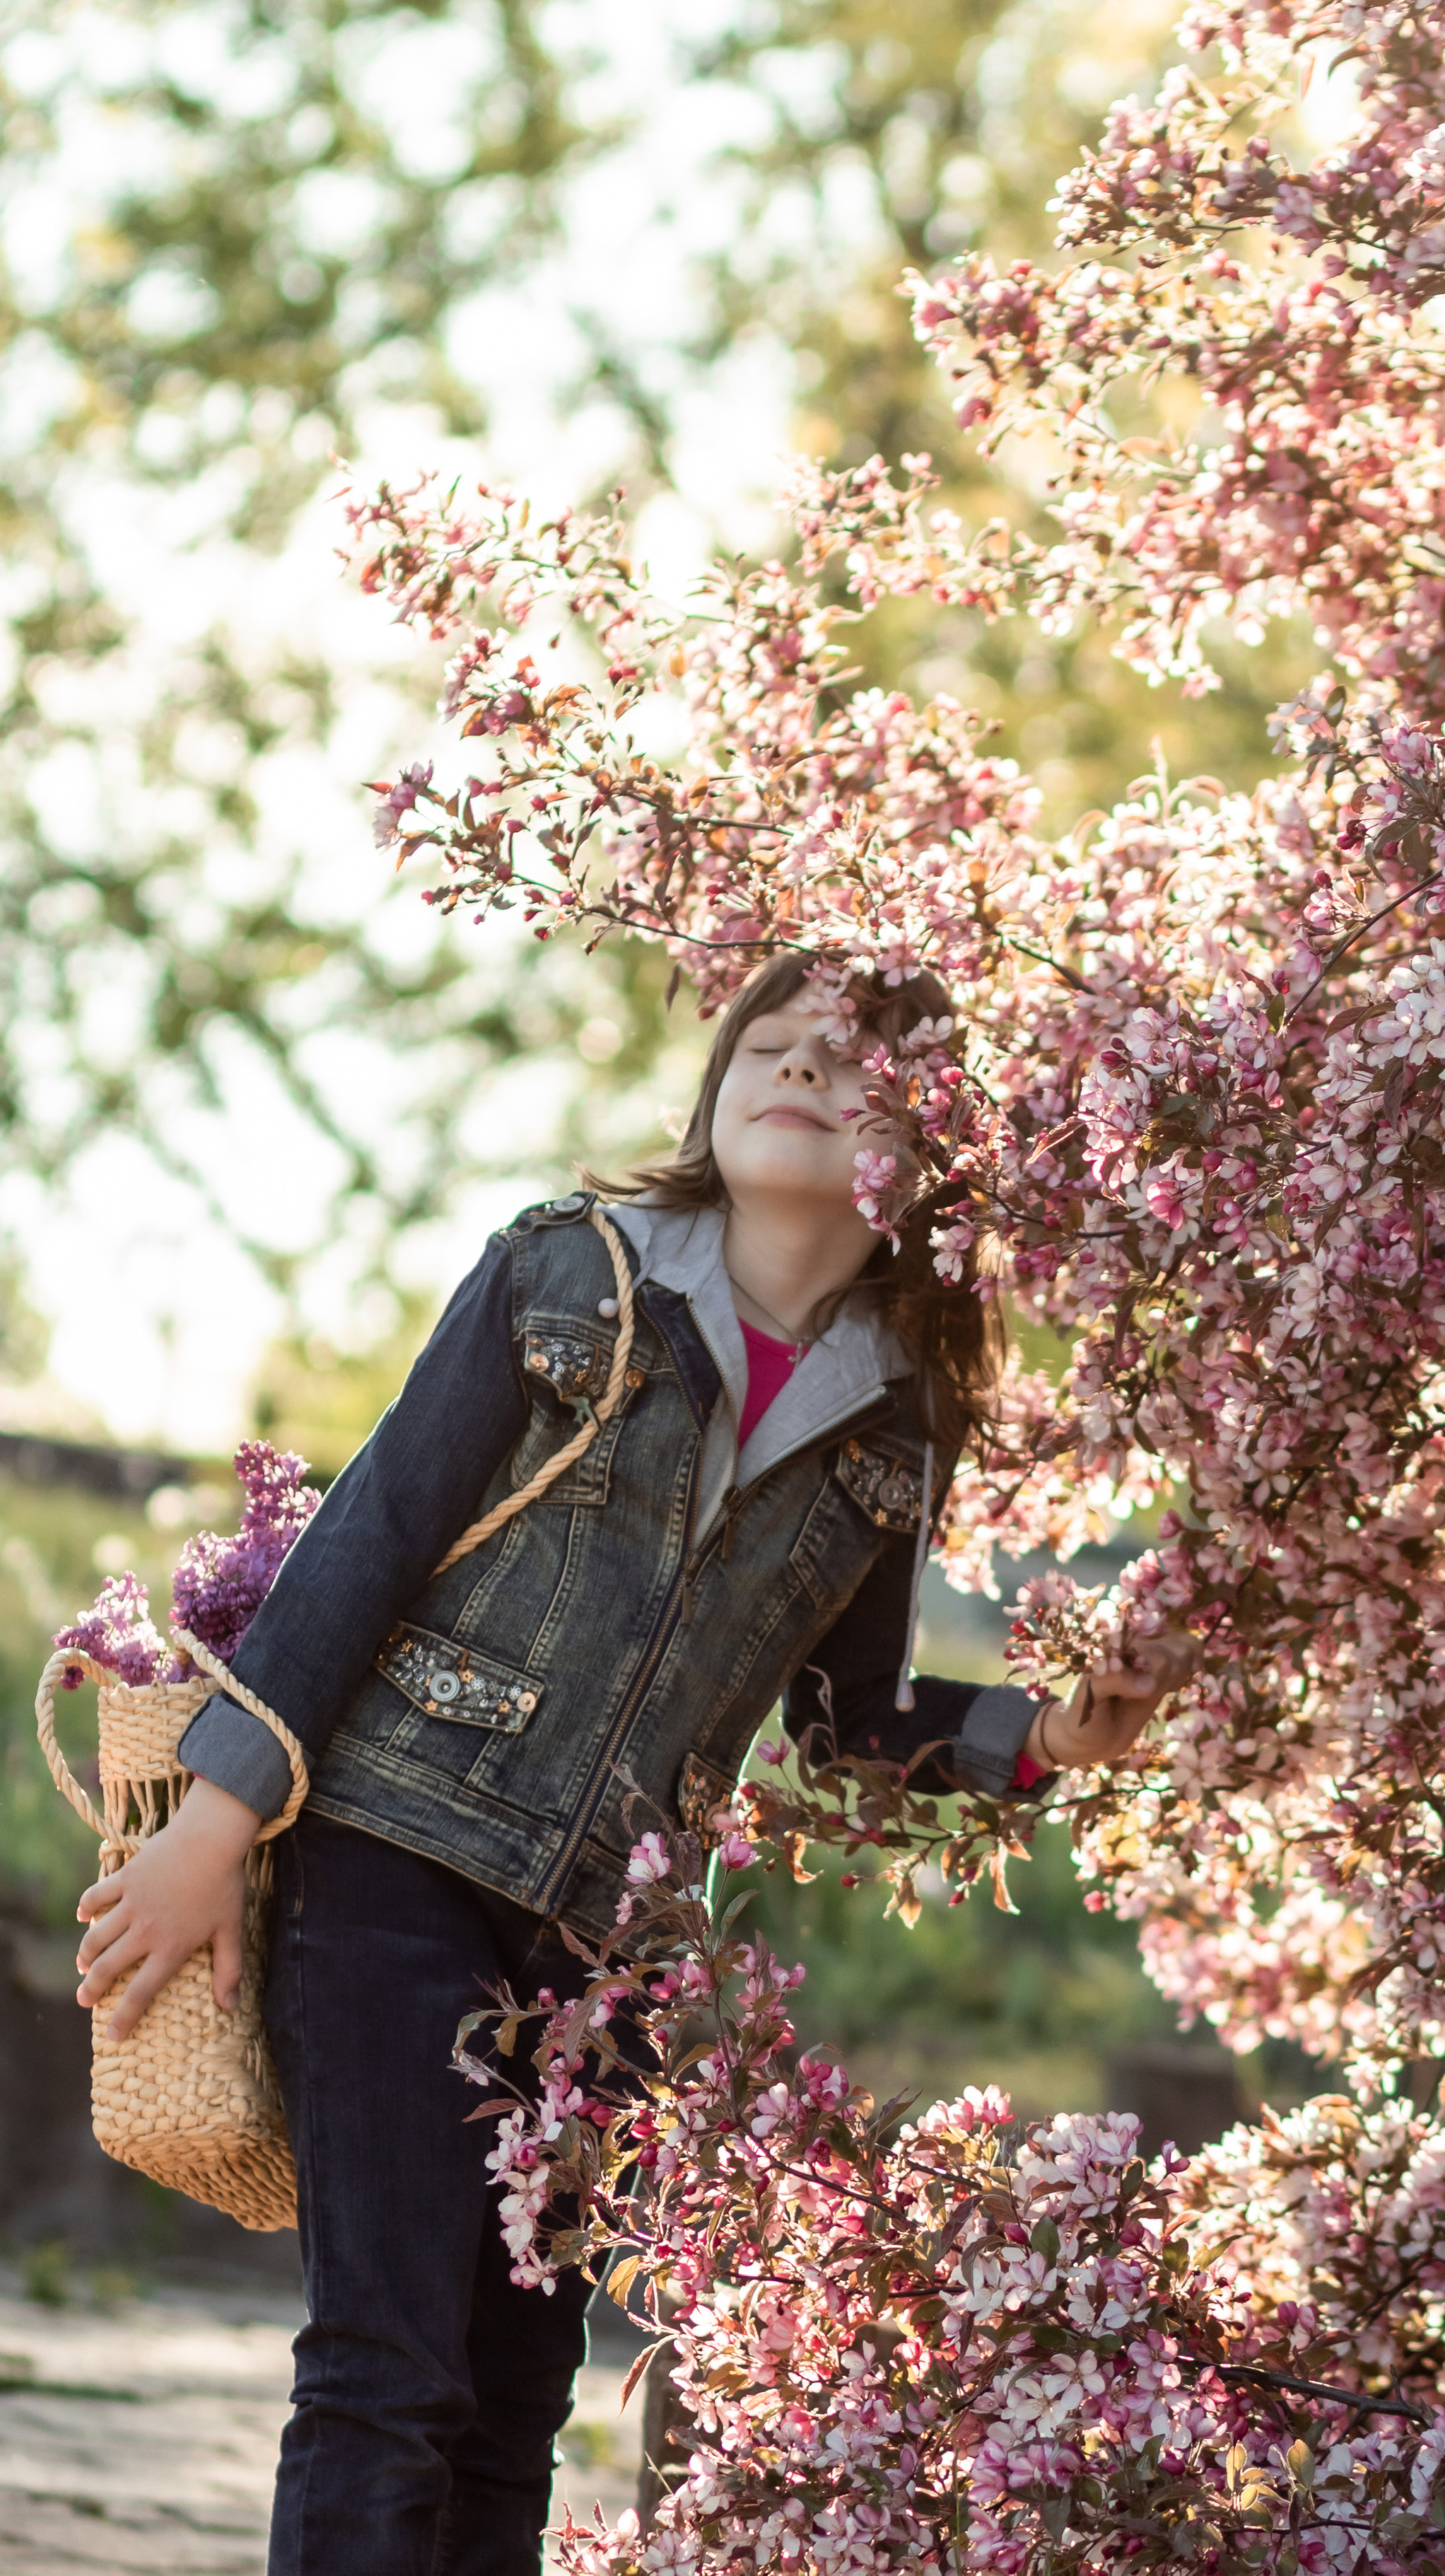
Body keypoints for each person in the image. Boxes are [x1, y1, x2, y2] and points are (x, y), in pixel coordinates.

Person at [71, 950, 1182, 2576]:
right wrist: (211, 1829)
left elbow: (840, 1722)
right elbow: (366, 1547)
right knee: (388, 2372)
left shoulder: (894, 1418)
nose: (801, 1068)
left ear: (927, 1149)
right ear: (717, 1080)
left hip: (613, 1957)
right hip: (391, 1862)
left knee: (517, 2399)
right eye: (772, 1041)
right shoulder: (561, 1272)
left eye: (854, 1061)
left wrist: (1051, 1735)